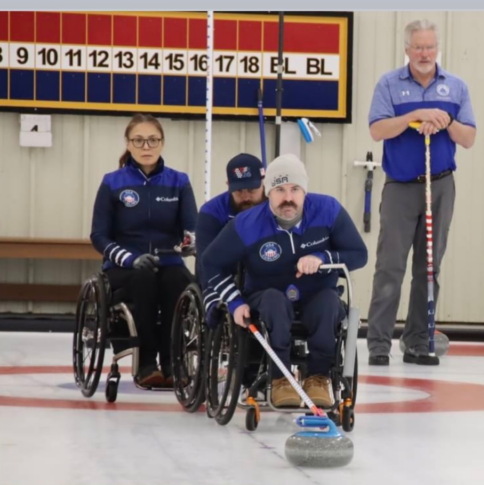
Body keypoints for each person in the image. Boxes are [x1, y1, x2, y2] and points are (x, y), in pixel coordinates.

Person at [201, 154, 368, 408]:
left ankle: (318, 378)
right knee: (274, 302)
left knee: (328, 304)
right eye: (279, 190)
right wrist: (234, 302)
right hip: (266, 294)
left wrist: (323, 257)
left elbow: (359, 254)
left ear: (304, 191)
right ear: (268, 192)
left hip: (317, 292)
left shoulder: (328, 210)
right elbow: (210, 262)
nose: (287, 198)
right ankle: (281, 380)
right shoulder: (247, 224)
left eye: (294, 189)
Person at [366, 19, 476, 366]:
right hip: (400, 186)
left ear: (437, 48)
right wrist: (414, 114)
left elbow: (469, 138)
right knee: (390, 267)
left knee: (429, 268)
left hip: (440, 184)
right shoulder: (389, 84)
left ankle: (417, 342)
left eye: (430, 47)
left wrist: (445, 119)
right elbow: (377, 129)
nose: (425, 53)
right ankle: (379, 345)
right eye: (419, 47)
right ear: (407, 50)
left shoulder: (456, 87)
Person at [89, 113, 197, 387]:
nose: (146, 146)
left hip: (169, 263)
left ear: (162, 143)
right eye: (139, 140)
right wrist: (130, 258)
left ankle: (173, 363)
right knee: (144, 279)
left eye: (152, 140)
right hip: (125, 267)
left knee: (178, 282)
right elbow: (99, 235)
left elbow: (192, 228)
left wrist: (189, 243)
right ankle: (147, 362)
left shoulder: (179, 182)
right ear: (128, 143)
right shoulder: (112, 182)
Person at [195, 153, 266, 286]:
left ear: (264, 182)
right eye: (239, 191)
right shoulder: (211, 212)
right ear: (228, 185)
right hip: (225, 278)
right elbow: (205, 263)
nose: (246, 198)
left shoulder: (277, 207)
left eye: (251, 190)